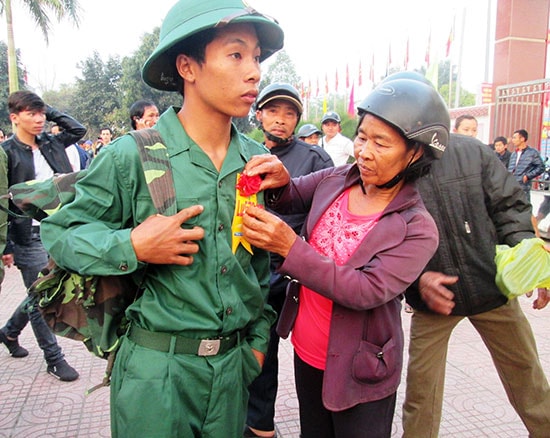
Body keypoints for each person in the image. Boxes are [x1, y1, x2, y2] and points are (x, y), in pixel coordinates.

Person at [41, 0, 284, 436]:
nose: (254, 72)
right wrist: (131, 246)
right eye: (236, 54)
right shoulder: (131, 155)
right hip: (157, 374)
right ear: (188, 67)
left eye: (256, 57)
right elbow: (61, 232)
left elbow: (259, 267)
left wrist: (255, 350)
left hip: (232, 372)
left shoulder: (256, 162)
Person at [240, 73, 450, 438]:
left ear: (415, 153)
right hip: (308, 352)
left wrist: (290, 247)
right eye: (363, 137)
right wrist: (279, 177)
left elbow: (364, 290)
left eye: (381, 144)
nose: (364, 151)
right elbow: (293, 194)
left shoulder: (416, 227)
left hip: (360, 368)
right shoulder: (339, 178)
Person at [402, 133, 550, 434]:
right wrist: (416, 280)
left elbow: (509, 207)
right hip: (434, 299)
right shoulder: (394, 160)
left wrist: (530, 264)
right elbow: (384, 233)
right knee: (421, 392)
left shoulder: (470, 151)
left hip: (491, 287)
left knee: (527, 378)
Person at [245, 83, 333, 438]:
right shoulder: (245, 153)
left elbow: (326, 216)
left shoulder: (315, 159)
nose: (281, 120)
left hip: (299, 276)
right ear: (260, 115)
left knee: (312, 359)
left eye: (289, 113)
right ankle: (261, 427)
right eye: (273, 112)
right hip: (257, 276)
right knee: (260, 357)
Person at [0, 90, 84, 381]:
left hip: (59, 227)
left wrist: (48, 109)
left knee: (44, 288)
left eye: (40, 114)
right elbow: (4, 200)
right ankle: (54, 358)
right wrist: (6, 244)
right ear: (14, 118)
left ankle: (10, 332)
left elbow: (78, 129)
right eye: (30, 114)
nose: (38, 119)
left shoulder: (52, 141)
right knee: (39, 297)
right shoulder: (7, 152)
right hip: (27, 234)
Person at [507, 128, 545, 202]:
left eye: (515, 138)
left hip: (523, 187)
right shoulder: (514, 154)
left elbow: (541, 167)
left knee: (524, 208)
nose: (513, 140)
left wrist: (527, 176)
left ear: (522, 139)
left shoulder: (532, 153)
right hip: (511, 186)